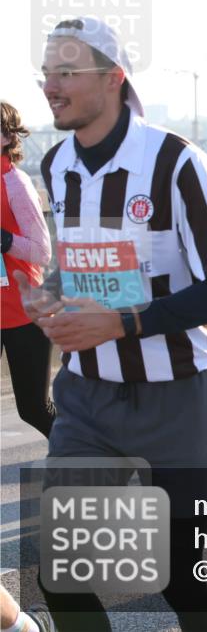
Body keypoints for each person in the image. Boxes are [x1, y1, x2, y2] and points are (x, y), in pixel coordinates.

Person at [23, 16, 207, 632]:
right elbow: (79, 265)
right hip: (87, 400)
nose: (50, 85)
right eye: (46, 73)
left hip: (176, 400)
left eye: (67, 71)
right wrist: (48, 294)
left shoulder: (177, 163)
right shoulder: (58, 164)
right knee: (60, 576)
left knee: (178, 579)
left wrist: (121, 325)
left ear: (114, 78)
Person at [1, 100, 55, 437]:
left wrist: (5, 241)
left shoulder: (16, 185)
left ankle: (95, 456)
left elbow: (43, 251)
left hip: (23, 311)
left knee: (34, 409)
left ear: (7, 138)